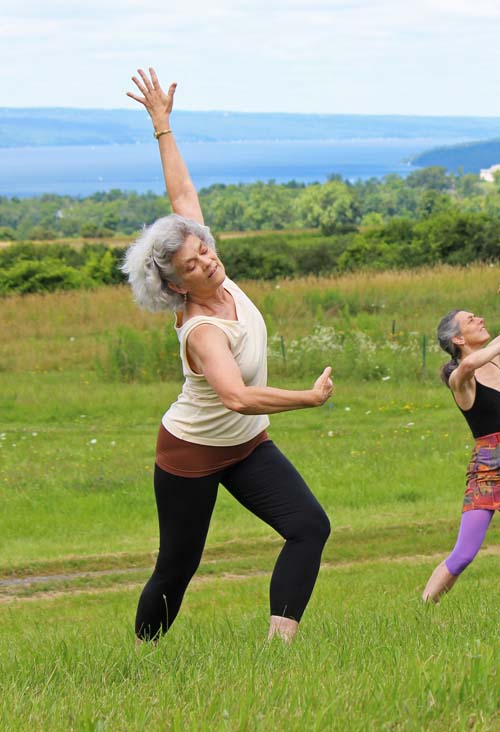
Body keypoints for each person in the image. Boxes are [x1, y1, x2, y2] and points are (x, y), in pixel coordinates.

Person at [122, 68, 332, 642]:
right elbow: (236, 397)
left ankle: (278, 647)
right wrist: (307, 399)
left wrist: (162, 127)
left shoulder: (214, 267)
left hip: (245, 447)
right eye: (192, 266)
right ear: (176, 287)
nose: (207, 262)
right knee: (178, 566)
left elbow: (182, 199)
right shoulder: (202, 329)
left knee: (309, 526)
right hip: (190, 452)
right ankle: (142, 656)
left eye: (204, 251)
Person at [422, 286, 500, 602]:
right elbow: (465, 367)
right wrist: (499, 345)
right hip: (487, 471)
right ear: (458, 340)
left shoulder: (495, 358)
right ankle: (424, 608)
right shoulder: (460, 379)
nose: (479, 319)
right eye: (470, 319)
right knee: (464, 554)